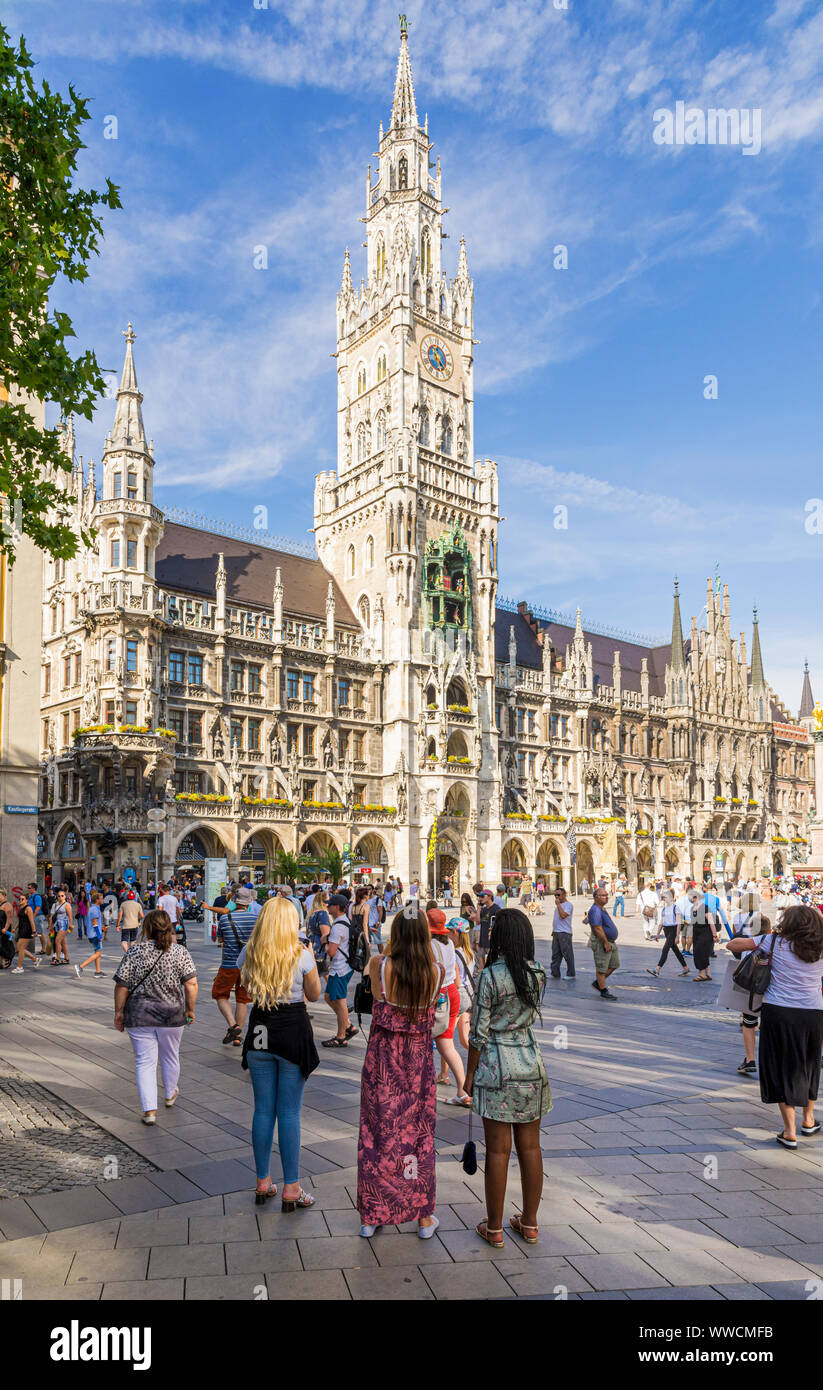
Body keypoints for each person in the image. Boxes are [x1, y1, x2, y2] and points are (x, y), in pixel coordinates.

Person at [464, 908, 550, 1248]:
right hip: (530, 1061)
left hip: (496, 1067)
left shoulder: (490, 976)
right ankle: (529, 1223)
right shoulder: (538, 972)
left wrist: (469, 1075)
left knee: (498, 1151)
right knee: (531, 1147)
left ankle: (496, 1227)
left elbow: (478, 1034)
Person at [357, 903, 442, 1239]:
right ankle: (422, 1217)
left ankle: (373, 1215)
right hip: (418, 1064)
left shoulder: (380, 965)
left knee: (377, 1136)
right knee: (418, 1137)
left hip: (383, 1063)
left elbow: (371, 992)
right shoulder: (434, 972)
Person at [238, 896, 320, 1209]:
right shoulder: (300, 954)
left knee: (262, 1110)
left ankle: (262, 1182)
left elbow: (244, 989)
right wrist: (310, 959)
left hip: (260, 1029)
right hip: (292, 1030)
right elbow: (313, 995)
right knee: (289, 1112)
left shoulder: (250, 951)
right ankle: (292, 1188)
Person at [726, 905, 823, 1148]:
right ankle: (808, 1120)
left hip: (778, 1011)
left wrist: (758, 941)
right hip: (813, 1013)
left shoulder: (774, 941)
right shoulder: (821, 945)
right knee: (808, 1064)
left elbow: (733, 945)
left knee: (781, 1067)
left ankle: (789, 1131)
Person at [113, 909, 198, 1124]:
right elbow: (191, 984)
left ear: (146, 928)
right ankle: (170, 1094)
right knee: (171, 1055)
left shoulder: (135, 952)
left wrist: (119, 1011)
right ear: (169, 928)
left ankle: (149, 1111)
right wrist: (190, 1009)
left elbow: (121, 985)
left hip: (139, 1015)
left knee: (144, 1062)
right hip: (172, 1014)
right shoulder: (180, 952)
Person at [428, 907, 471, 1105]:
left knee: (429, 1042)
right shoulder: (449, 945)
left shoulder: (429, 946)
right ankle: (463, 1090)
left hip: (439, 996)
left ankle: (422, 1087)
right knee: (447, 1045)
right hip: (452, 993)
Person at [211, 892, 258, 1046]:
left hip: (229, 964)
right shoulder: (255, 919)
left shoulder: (225, 918)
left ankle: (233, 1026)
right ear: (249, 903)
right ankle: (238, 1036)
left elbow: (220, 939)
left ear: (235, 902)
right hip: (248, 966)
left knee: (220, 994)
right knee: (242, 999)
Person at [322, 893, 357, 1047]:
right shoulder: (345, 921)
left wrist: (324, 942)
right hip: (344, 967)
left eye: (330, 905)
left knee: (340, 1001)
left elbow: (331, 952)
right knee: (329, 997)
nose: (327, 906)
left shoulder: (337, 927)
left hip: (340, 968)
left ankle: (341, 1036)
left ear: (336, 907)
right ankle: (348, 1025)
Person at [646, 889, 689, 978]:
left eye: (665, 897)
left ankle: (657, 970)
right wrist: (657, 934)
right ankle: (686, 968)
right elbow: (661, 922)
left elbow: (678, 923)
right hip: (666, 930)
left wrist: (677, 936)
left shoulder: (675, 908)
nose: (664, 899)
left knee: (665, 949)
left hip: (673, 930)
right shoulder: (664, 909)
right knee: (676, 950)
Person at [587, 888, 620, 999]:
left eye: (607, 895)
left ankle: (598, 983)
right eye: (603, 895)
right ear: (596, 897)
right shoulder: (595, 910)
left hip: (610, 941)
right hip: (602, 942)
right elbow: (597, 928)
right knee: (601, 968)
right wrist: (605, 943)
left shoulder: (602, 908)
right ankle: (603, 990)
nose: (606, 897)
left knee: (614, 964)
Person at [74, 891, 106, 977]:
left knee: (97, 952)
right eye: (101, 898)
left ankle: (98, 972)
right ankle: (80, 967)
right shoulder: (95, 909)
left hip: (92, 934)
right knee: (98, 953)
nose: (103, 900)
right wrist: (99, 935)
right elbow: (94, 923)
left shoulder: (93, 908)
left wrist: (101, 929)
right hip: (95, 935)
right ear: (97, 900)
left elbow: (94, 923)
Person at [691, 890, 719, 981]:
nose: (691, 899)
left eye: (693, 897)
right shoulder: (692, 908)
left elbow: (711, 921)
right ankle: (708, 973)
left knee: (700, 953)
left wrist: (714, 935)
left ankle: (701, 974)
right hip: (696, 933)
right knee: (700, 952)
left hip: (705, 933)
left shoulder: (705, 907)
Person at [11, 892, 40, 973]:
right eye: (19, 899)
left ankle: (20, 967)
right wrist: (14, 928)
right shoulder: (21, 908)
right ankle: (35, 959)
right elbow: (20, 921)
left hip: (27, 930)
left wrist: (34, 931)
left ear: (27, 900)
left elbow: (31, 921)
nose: (20, 900)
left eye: (22, 899)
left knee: (21, 949)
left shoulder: (28, 909)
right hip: (21, 929)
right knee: (20, 949)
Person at [549, 887, 575, 979]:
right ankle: (555, 973)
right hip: (556, 932)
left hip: (564, 933)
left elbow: (563, 916)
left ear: (564, 895)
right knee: (555, 954)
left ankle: (571, 974)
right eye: (555, 895)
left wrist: (558, 905)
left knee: (567, 954)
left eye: (558, 895)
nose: (556, 897)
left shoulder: (568, 905)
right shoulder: (558, 906)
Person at [50, 887, 73, 965]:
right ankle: (66, 958)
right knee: (63, 943)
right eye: (59, 896)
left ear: (65, 896)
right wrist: (51, 925)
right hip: (57, 924)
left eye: (62, 895)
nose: (60, 897)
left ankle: (57, 959)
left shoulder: (67, 905)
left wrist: (70, 926)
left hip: (64, 924)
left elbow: (70, 916)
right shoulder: (56, 905)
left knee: (57, 941)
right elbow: (53, 916)